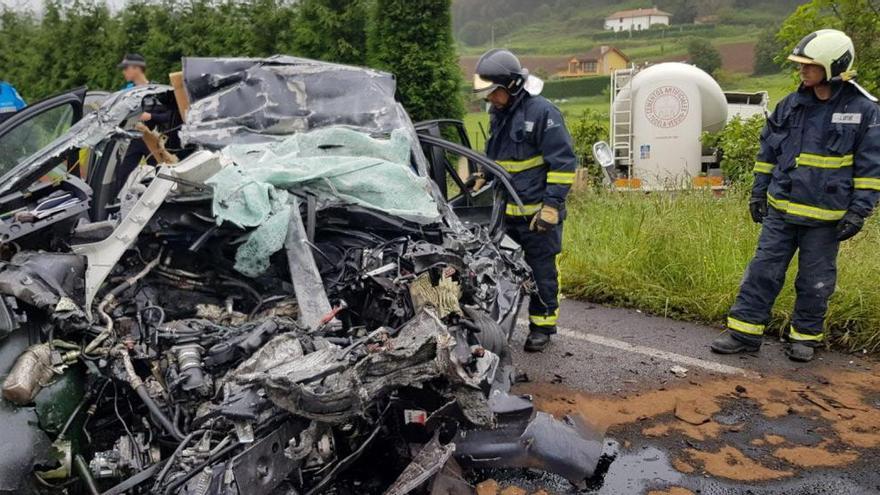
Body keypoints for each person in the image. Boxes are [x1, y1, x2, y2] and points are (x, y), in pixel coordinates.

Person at [710, 29, 880, 362]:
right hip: (781, 213)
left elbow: (871, 167)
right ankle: (744, 333)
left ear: (834, 66)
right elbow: (768, 153)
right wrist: (758, 192)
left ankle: (804, 338)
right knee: (762, 271)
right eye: (801, 65)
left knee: (815, 281)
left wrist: (859, 211)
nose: (802, 70)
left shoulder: (865, 111)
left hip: (825, 220)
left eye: (809, 65)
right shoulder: (790, 105)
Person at [473, 49, 577, 352]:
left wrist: (550, 207)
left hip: (537, 217)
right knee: (500, 270)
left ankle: (542, 327)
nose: (490, 99)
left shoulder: (544, 113)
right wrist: (482, 175)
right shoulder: (498, 115)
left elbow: (563, 165)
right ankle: (497, 324)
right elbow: (496, 157)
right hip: (505, 216)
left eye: (495, 92)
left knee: (541, 271)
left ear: (513, 86)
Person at [116, 53, 172, 193]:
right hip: (135, 140)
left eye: (126, 68)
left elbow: (170, 116)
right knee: (122, 175)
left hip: (152, 140)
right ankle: (114, 204)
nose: (124, 72)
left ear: (136, 68)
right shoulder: (127, 93)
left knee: (160, 177)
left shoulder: (157, 92)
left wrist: (151, 116)